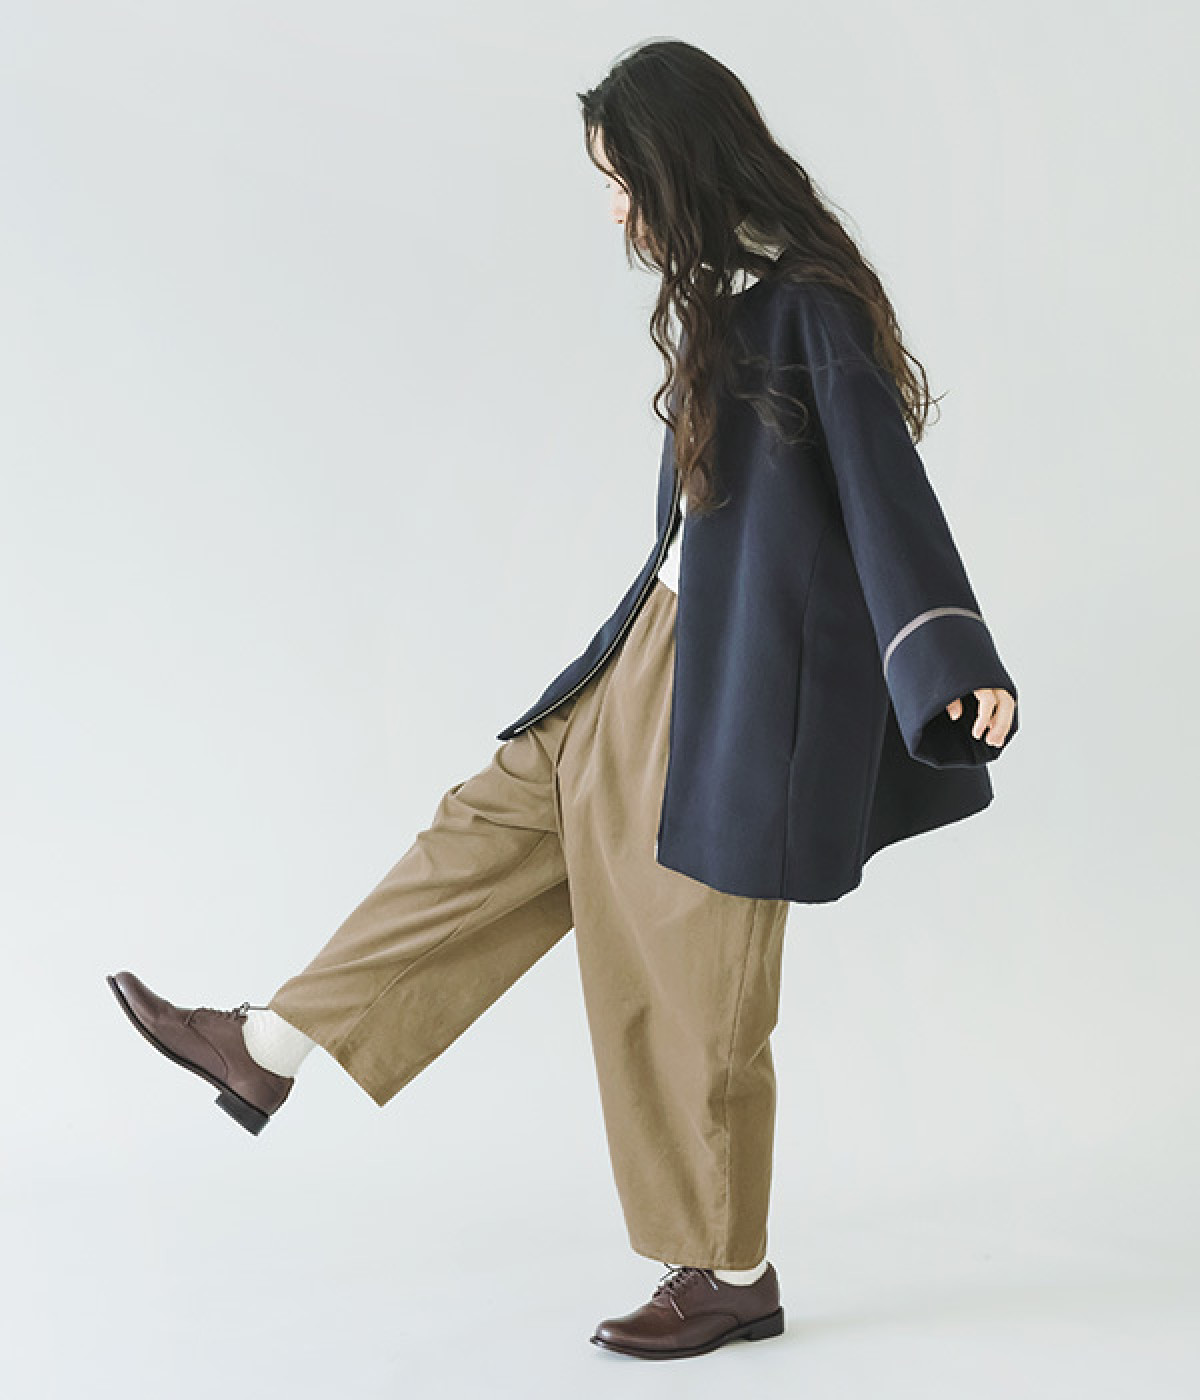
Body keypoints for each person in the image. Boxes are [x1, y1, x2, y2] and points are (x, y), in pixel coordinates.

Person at [107, 37, 1018, 1363]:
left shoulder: (804, 309)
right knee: (478, 834)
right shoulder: (730, 301)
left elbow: (888, 495)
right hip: (639, 659)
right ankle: (268, 1044)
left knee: (692, 982)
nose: (615, 208)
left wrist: (951, 662)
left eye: (621, 178)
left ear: (679, 166)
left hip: (732, 696)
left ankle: (729, 1274)